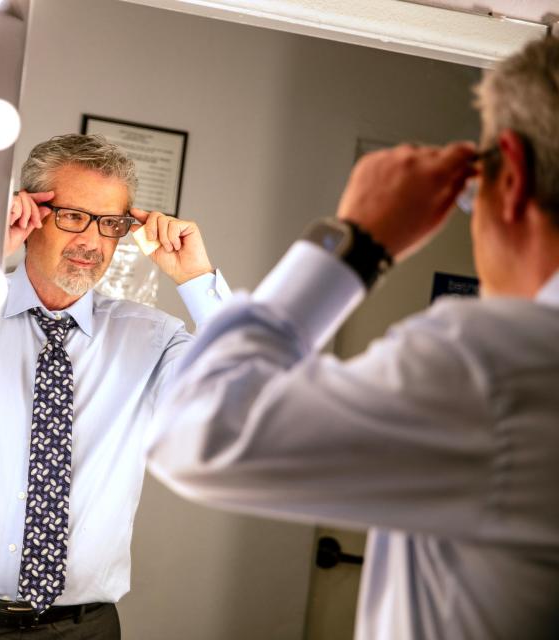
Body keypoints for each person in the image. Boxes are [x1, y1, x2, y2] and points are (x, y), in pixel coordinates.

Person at [148, 36, 559, 640]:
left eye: (471, 197)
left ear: (512, 175)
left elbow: (199, 429)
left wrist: (354, 241)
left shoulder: (504, 368)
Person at [0, 134, 230, 638]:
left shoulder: (152, 338)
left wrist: (199, 280)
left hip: (84, 628)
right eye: (73, 216)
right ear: (28, 215)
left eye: (110, 224)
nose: (92, 243)